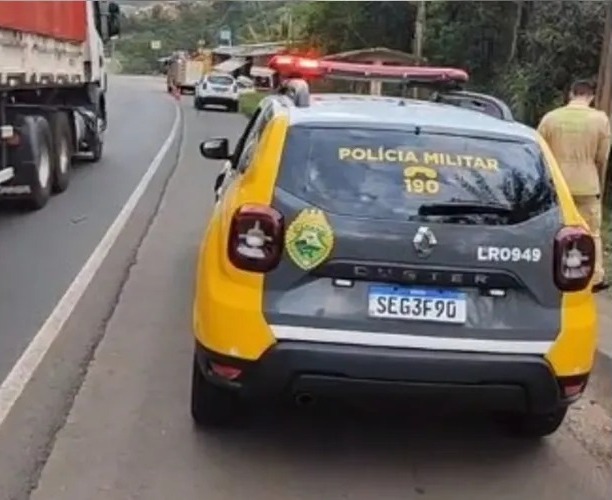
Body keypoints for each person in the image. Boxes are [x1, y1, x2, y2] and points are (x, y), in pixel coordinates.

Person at [538, 79, 611, 293]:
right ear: (591, 97)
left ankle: (546, 270)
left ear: (571, 94)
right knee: (592, 232)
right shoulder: (600, 120)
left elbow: (539, 151)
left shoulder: (551, 118)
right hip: (587, 184)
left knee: (552, 229)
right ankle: (595, 276)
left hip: (557, 184)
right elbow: (602, 156)